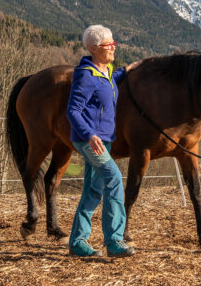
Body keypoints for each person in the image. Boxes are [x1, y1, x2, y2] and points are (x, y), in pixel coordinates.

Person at [66, 24, 138, 258]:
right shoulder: (86, 76)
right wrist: (89, 134)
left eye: (114, 44)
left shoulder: (104, 72)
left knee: (93, 190)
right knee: (114, 178)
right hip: (89, 141)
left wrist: (126, 70)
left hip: (103, 140)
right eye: (110, 45)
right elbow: (73, 111)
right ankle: (115, 241)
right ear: (95, 48)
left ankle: (77, 242)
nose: (114, 48)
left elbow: (109, 81)